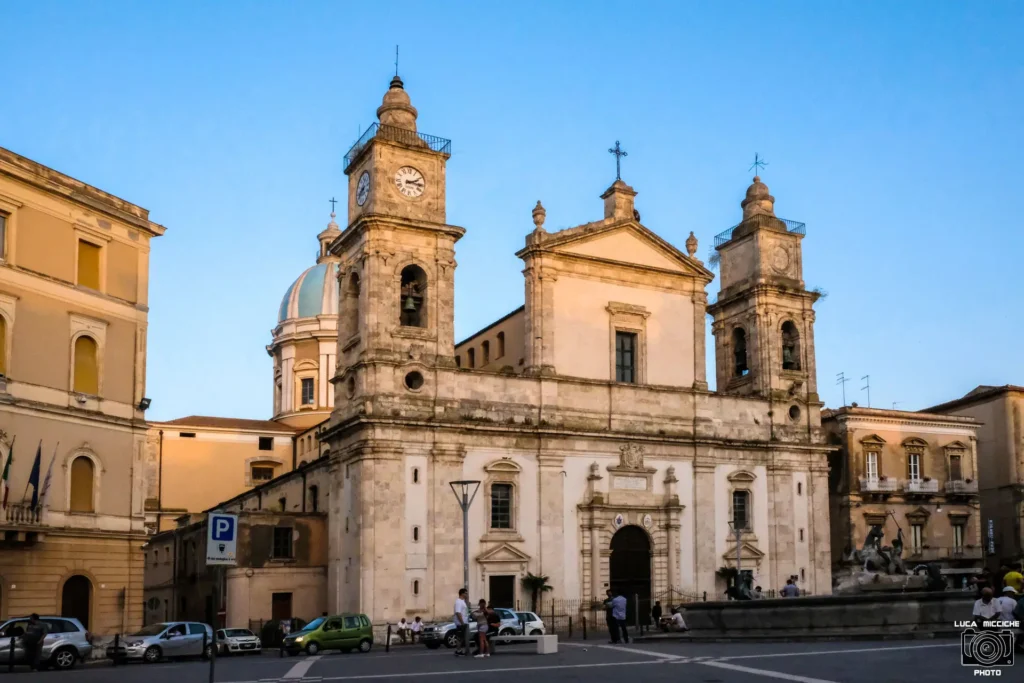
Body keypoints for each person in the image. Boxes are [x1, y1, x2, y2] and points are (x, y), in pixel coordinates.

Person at [453, 588, 470, 657]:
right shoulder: (458, 602)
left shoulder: (463, 602)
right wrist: (462, 622)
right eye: (466, 593)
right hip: (461, 623)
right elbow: (458, 613)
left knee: (462, 637)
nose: (467, 594)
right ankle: (458, 650)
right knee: (460, 637)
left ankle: (461, 650)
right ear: (462, 593)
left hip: (464, 622)